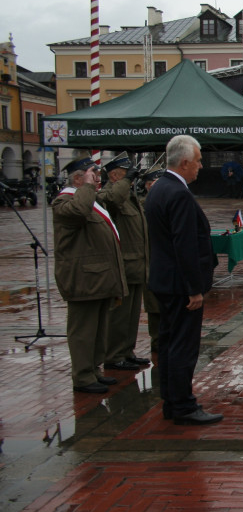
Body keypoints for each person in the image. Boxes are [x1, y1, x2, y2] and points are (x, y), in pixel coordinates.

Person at [145, 135, 222, 425]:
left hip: (165, 281)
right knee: (182, 347)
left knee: (167, 343)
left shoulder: (158, 189)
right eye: (199, 161)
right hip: (180, 286)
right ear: (186, 162)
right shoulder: (177, 193)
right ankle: (183, 405)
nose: (201, 167)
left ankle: (171, 401)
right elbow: (184, 244)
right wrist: (194, 289)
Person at [53, 155, 128, 393]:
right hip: (83, 279)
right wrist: (86, 186)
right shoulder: (64, 202)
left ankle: (94, 370)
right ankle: (83, 376)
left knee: (98, 329)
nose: (98, 180)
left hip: (98, 278)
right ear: (78, 178)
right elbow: (78, 212)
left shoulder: (89, 200)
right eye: (93, 175)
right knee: (83, 331)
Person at [98, 151, 151, 371]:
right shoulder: (110, 196)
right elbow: (111, 199)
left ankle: (127, 351)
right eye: (124, 174)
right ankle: (113, 355)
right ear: (113, 176)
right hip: (123, 266)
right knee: (119, 316)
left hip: (137, 264)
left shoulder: (130, 198)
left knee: (131, 316)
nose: (130, 178)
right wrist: (127, 180)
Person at [139, 166, 164, 361]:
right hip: (149, 260)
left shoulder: (163, 202)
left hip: (163, 260)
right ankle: (157, 341)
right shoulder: (144, 205)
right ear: (148, 185)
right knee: (154, 304)